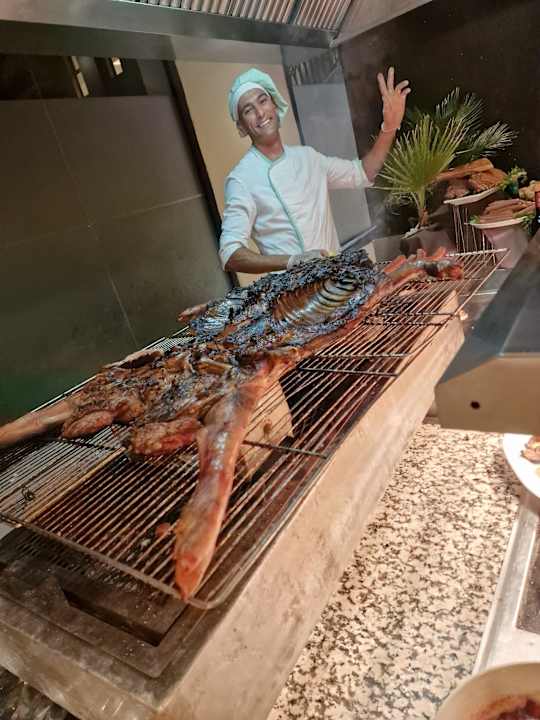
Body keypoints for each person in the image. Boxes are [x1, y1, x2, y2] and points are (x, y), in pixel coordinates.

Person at [219, 66, 411, 275]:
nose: (260, 113)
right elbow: (230, 253)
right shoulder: (241, 179)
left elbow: (364, 172)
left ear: (274, 104)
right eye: (248, 110)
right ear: (241, 128)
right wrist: (292, 261)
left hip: (338, 280)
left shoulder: (308, 158)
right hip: (293, 291)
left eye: (263, 101)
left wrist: (389, 127)